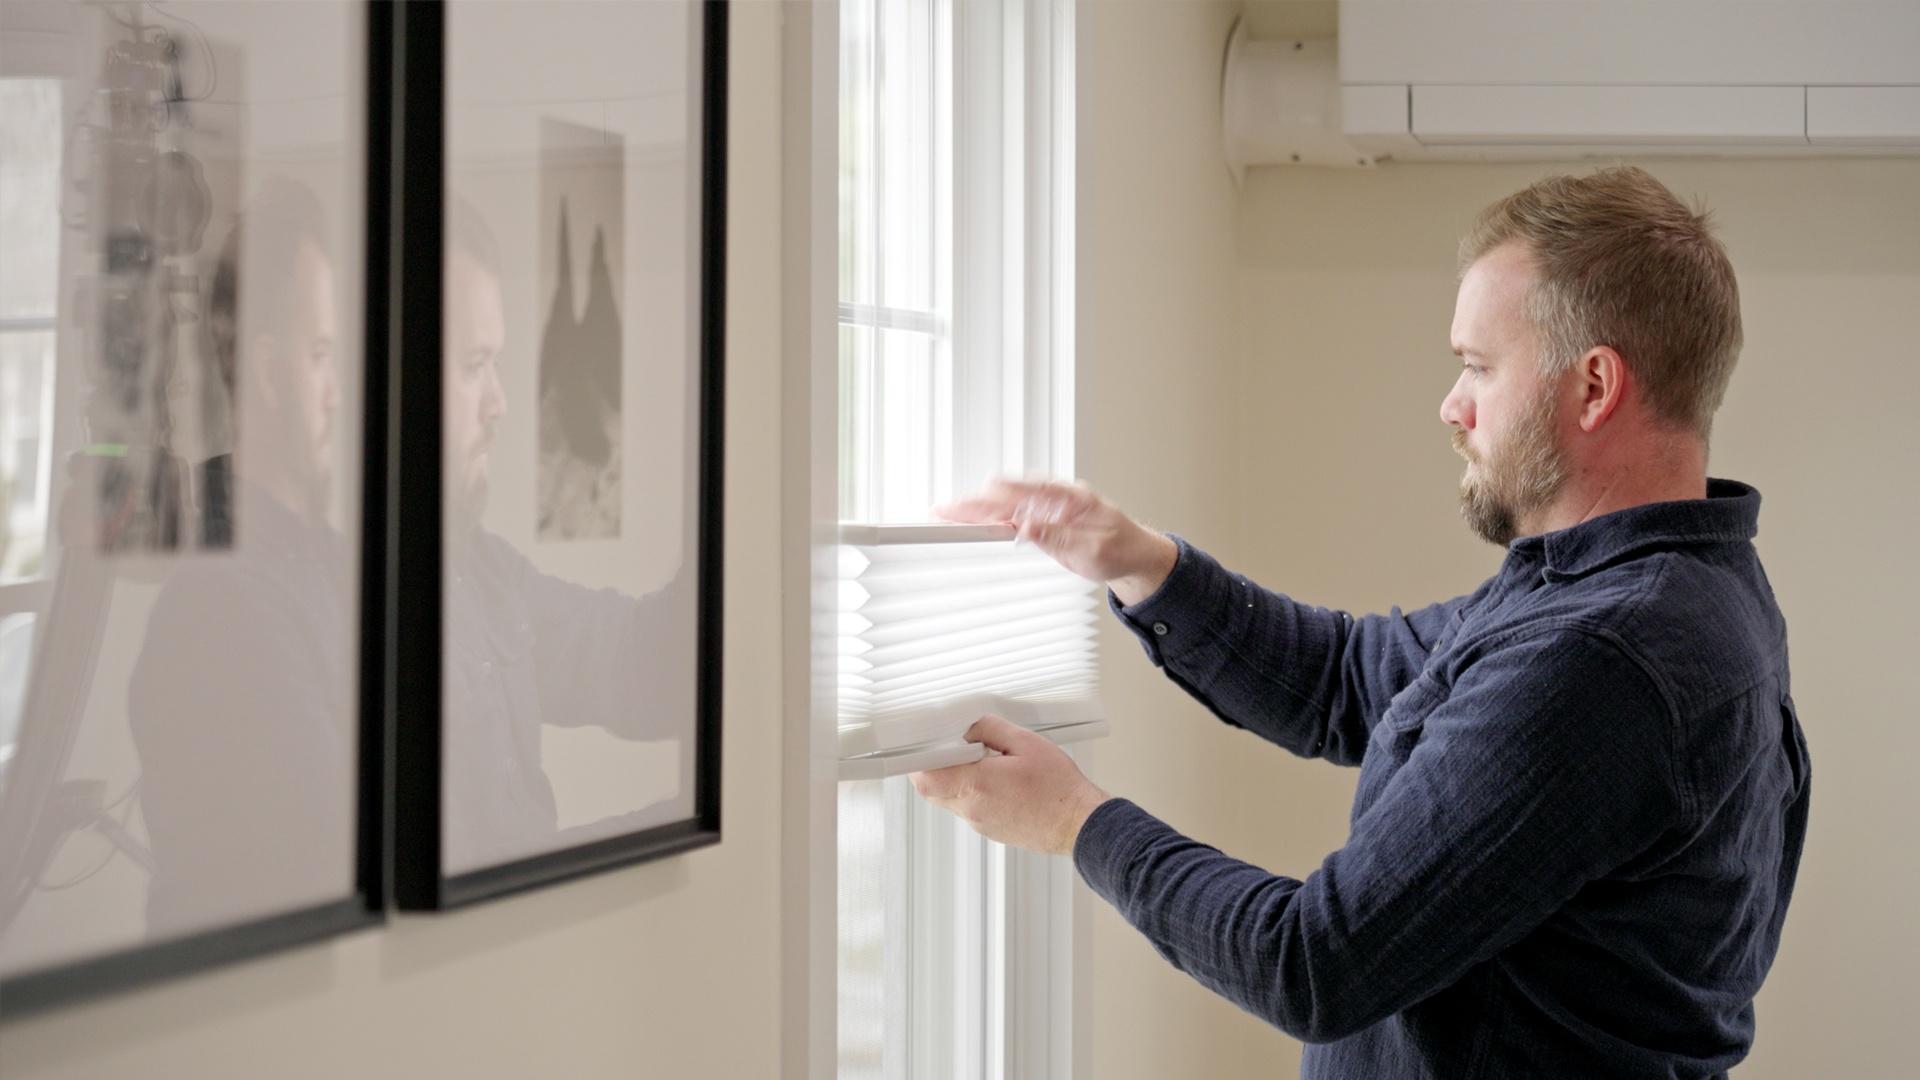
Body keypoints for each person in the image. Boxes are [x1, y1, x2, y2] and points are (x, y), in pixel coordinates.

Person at [916, 166, 1810, 1077]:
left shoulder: (1606, 655)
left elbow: (1314, 963)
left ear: (1593, 388)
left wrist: (1075, 820)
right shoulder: (1649, 583)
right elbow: (1353, 680)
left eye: (1477, 367)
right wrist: (1143, 565)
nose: (1451, 408)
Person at [440, 199, 694, 873]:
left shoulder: (486, 575)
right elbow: (478, 883)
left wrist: (740, 532)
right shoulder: (328, 612)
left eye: (495, 363)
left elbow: (642, 668)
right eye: (472, 366)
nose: (500, 402)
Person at [130, 178, 354, 936]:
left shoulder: (321, 558)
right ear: (264, 372)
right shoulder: (225, 598)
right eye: (321, 355)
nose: (340, 392)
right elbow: (335, 834)